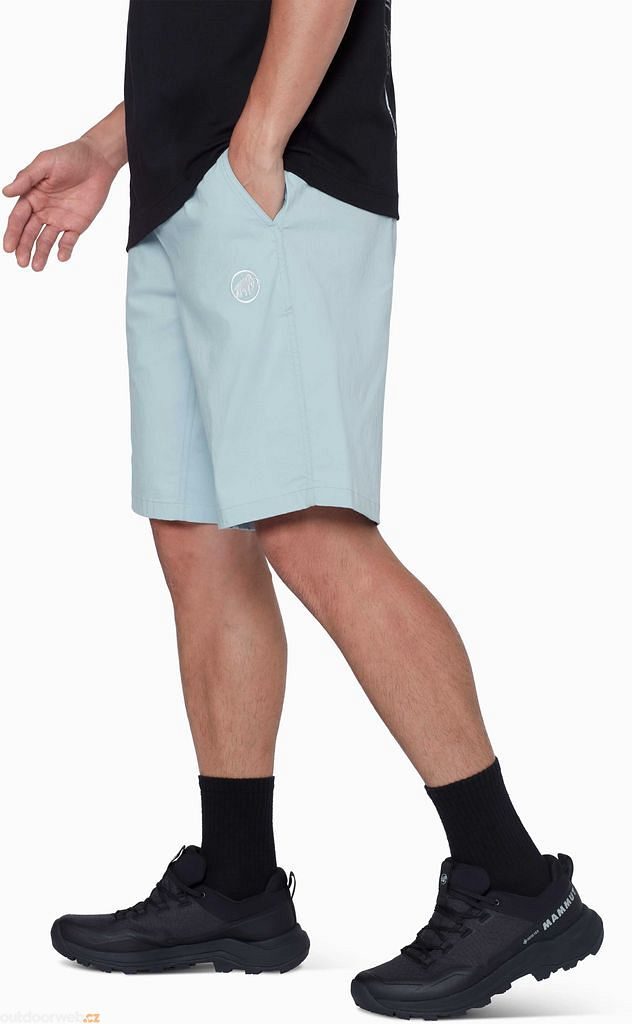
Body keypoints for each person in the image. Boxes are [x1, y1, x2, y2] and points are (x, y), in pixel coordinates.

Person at [2, 0, 603, 1016]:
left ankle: (512, 877)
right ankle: (238, 885)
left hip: (278, 177)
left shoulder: (264, 158)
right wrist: (110, 147)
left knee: (309, 526)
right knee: (197, 533)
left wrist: (259, 140)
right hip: (182, 185)